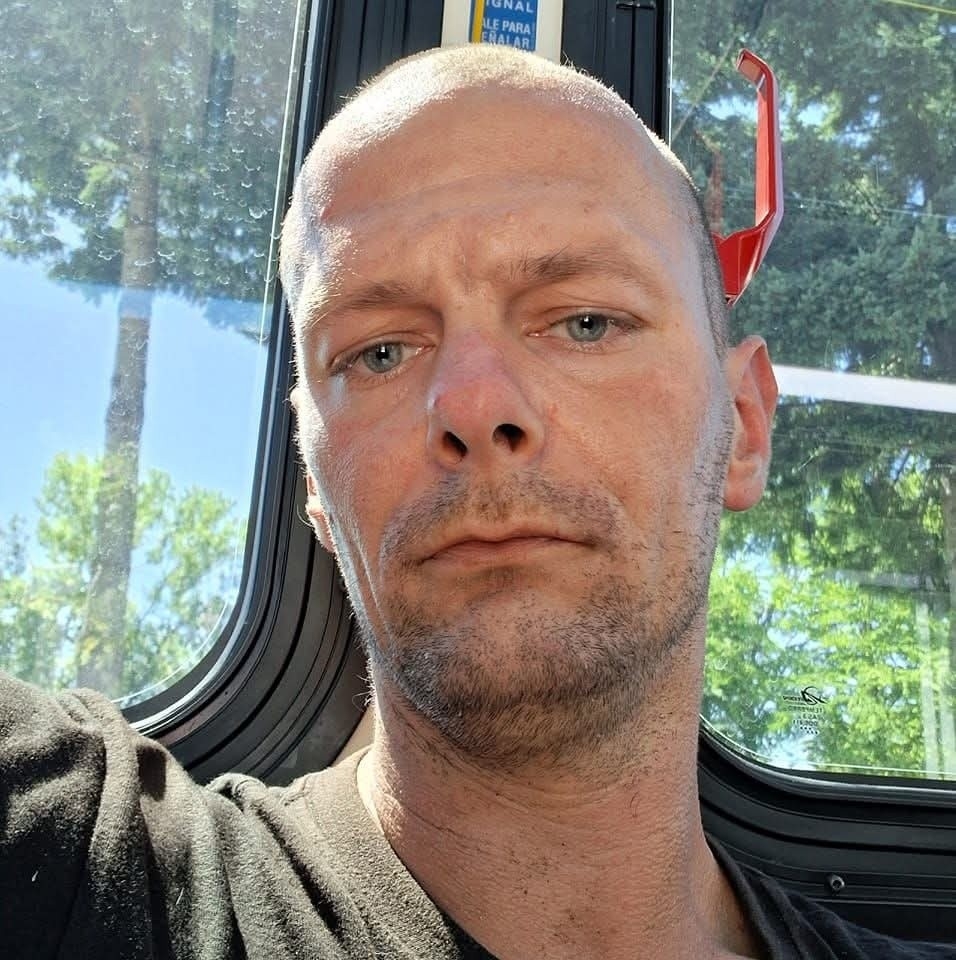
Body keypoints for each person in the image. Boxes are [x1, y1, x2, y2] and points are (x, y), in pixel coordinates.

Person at [0, 43, 952, 960]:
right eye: (379, 352)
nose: (474, 404)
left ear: (743, 425)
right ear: (315, 485)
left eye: (586, 323)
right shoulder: (86, 876)